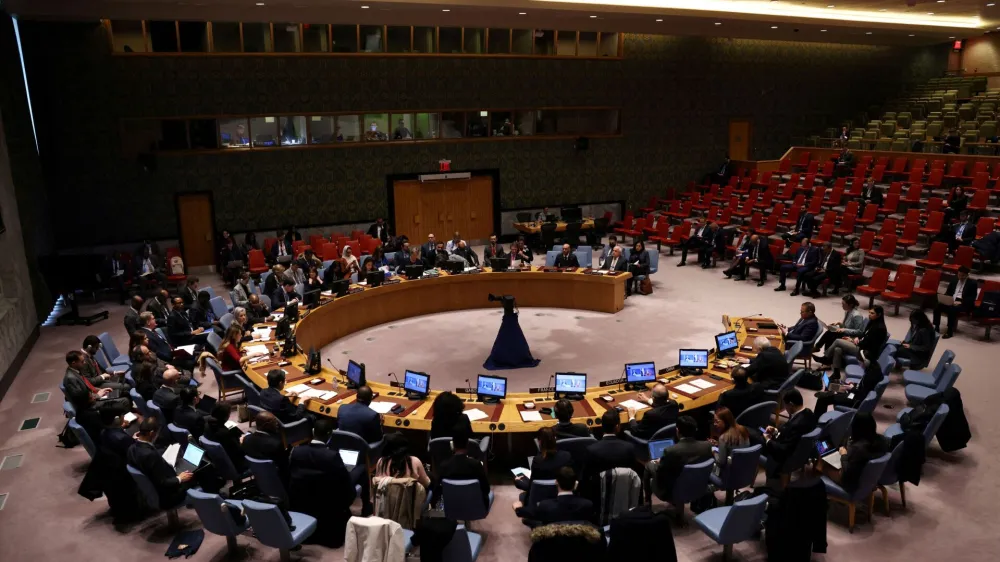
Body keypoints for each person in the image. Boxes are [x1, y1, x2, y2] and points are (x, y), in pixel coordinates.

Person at [289, 418, 356, 548]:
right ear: (330, 434)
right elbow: (343, 482)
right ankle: (366, 509)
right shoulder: (332, 456)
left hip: (303, 500)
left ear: (313, 432)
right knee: (358, 472)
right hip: (328, 504)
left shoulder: (296, 451)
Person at [127, 417, 195, 507]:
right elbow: (163, 483)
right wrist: (180, 478)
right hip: (167, 496)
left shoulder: (132, 448)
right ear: (151, 433)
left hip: (154, 488)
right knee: (197, 474)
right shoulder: (150, 455)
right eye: (157, 433)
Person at [643, 416, 712, 503]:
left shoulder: (671, 451)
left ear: (677, 431)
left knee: (648, 465)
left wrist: (658, 462)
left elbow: (660, 472)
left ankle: (647, 502)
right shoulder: (707, 446)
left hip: (671, 492)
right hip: (698, 486)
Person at [816, 305, 888, 379]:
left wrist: (853, 341)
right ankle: (836, 374)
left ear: (879, 315)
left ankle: (826, 358)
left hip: (865, 352)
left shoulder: (879, 328)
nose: (869, 314)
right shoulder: (872, 322)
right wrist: (857, 338)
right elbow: (864, 334)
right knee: (837, 349)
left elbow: (869, 344)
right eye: (869, 312)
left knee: (837, 341)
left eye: (872, 313)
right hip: (861, 345)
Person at [762, 389, 816, 478]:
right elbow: (790, 433)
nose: (785, 408)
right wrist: (776, 431)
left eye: (785, 405)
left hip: (786, 457)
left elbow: (783, 450)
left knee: (755, 435)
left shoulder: (796, 424)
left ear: (791, 404)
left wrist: (768, 440)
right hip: (800, 450)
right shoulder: (809, 413)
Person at [580, 411, 635, 497]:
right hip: (624, 494)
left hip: (598, 496)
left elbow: (585, 479)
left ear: (602, 426)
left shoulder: (591, 450)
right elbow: (633, 475)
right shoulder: (629, 448)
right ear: (618, 427)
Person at [513, 466, 594, 524]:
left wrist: (517, 507)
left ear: (556, 482)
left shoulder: (545, 506)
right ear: (575, 484)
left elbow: (526, 512)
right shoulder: (587, 505)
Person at [63, 350, 131, 415]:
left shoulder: (76, 371)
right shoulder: (70, 379)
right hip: (90, 407)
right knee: (125, 401)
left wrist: (100, 390)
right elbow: (82, 401)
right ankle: (122, 423)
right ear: (73, 363)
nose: (84, 363)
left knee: (123, 393)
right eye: (82, 361)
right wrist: (98, 395)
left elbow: (88, 386)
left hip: (93, 397)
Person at [834, 412, 888, 493]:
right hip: (870, 481)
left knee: (821, 464)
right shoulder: (883, 441)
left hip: (852, 484)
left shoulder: (858, 449)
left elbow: (847, 473)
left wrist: (844, 455)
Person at [435, 432, 490, 510]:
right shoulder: (476, 465)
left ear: (452, 445)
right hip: (475, 508)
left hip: (452, 507)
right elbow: (486, 489)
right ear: (467, 445)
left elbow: (438, 490)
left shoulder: (444, 466)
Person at [814, 356, 884, 414]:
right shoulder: (872, 371)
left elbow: (862, 394)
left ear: (866, 362)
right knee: (835, 386)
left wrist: (852, 389)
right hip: (855, 394)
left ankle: (815, 423)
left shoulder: (870, 376)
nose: (859, 364)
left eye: (860, 362)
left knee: (822, 399)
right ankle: (830, 392)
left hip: (854, 400)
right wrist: (854, 385)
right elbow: (863, 387)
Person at [515, 427, 573, 494]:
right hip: (560, 494)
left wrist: (518, 482)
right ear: (555, 439)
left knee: (521, 495)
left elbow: (531, 487)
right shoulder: (567, 456)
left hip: (541, 497)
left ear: (539, 442)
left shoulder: (537, 461)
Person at [241, 411, 290, 483]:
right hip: (276, 479)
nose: (277, 424)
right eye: (274, 422)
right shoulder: (276, 444)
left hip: (257, 474)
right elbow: (284, 466)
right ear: (266, 425)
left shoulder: (246, 439)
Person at [934, 266, 979, 339]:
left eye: (963, 275)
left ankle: (949, 331)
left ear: (967, 275)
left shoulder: (972, 283)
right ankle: (936, 327)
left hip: (963, 303)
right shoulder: (954, 280)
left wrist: (961, 302)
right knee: (938, 306)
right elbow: (948, 292)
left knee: (952, 309)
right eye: (959, 275)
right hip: (952, 300)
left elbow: (972, 298)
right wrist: (945, 299)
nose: (960, 277)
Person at [203, 400, 247, 473]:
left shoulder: (207, 424)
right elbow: (238, 451)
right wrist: (242, 441)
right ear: (226, 416)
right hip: (237, 465)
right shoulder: (225, 433)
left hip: (220, 461)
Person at [711, 407, 751, 472]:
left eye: (717, 421)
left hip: (731, 473)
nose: (714, 424)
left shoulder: (723, 438)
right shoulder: (743, 429)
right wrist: (719, 444)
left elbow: (721, 463)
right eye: (714, 421)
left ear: (726, 421)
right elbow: (735, 447)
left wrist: (714, 451)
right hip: (745, 470)